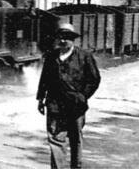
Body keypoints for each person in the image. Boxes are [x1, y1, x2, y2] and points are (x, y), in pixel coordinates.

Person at [37, 23, 101, 169]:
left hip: (75, 106)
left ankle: (75, 166)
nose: (63, 41)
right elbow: (44, 79)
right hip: (55, 105)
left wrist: (83, 96)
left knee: (75, 139)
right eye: (60, 37)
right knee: (55, 139)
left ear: (73, 40)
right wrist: (40, 99)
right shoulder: (51, 56)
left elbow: (94, 79)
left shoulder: (85, 56)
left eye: (67, 37)